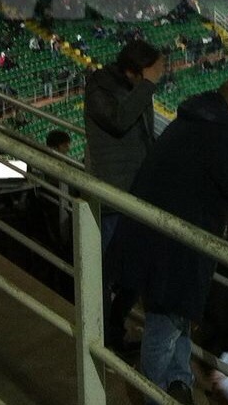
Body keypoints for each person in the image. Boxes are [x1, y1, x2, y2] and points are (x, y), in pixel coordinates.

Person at [109, 79, 228, 404]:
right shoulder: (222, 136)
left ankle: (178, 383)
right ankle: (155, 395)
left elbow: (212, 175)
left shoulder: (192, 122)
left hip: (152, 234)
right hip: (172, 246)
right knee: (164, 324)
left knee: (176, 317)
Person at [85, 39, 166, 352]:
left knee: (138, 270)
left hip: (137, 193)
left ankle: (114, 329)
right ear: (135, 70)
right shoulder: (99, 89)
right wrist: (146, 86)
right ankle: (103, 337)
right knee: (107, 273)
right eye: (150, 72)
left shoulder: (135, 89)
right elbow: (119, 121)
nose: (156, 78)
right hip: (112, 197)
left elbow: (144, 135)